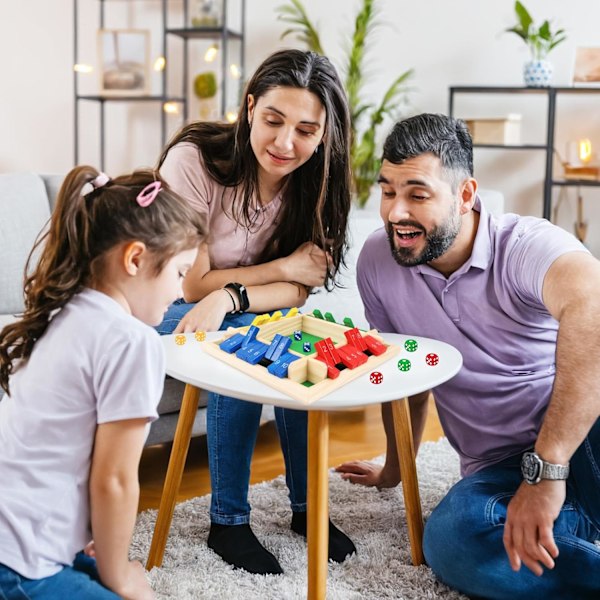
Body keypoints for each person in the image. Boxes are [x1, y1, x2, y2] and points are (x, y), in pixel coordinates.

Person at [335, 113, 600, 599]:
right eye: (388, 191)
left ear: (464, 195)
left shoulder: (523, 246)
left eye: (417, 194)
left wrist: (547, 471)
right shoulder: (378, 260)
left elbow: (594, 304)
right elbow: (404, 373)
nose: (395, 212)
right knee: (451, 542)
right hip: (496, 466)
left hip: (581, 441)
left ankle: (566, 523)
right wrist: (394, 470)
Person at [155, 48, 356, 575]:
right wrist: (278, 267)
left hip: (237, 309)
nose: (285, 143)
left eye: (306, 130)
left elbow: (300, 292)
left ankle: (308, 508)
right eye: (273, 120)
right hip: (165, 307)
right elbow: (192, 283)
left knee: (291, 336)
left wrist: (234, 296)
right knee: (247, 336)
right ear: (249, 108)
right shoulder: (194, 161)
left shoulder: (320, 182)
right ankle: (229, 521)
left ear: (325, 134)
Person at [0, 166, 205, 599]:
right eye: (180, 272)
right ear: (134, 259)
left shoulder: (62, 313)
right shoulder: (131, 342)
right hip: (18, 562)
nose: (183, 292)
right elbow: (114, 478)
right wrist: (119, 575)